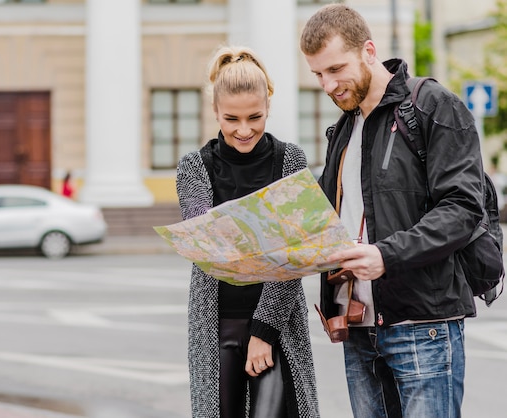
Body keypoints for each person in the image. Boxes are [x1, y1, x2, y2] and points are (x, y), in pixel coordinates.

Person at [300, 4, 485, 418]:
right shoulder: (343, 130)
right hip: (358, 329)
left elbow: (463, 207)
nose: (328, 85)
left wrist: (386, 255)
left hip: (423, 327)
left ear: (368, 50)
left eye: (335, 69)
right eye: (318, 75)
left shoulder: (432, 105)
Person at [176, 45, 319, 417]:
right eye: (231, 119)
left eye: (255, 117)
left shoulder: (290, 160)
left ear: (269, 104)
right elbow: (209, 249)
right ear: (215, 112)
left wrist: (264, 331)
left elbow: (294, 255)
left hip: (277, 324)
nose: (244, 130)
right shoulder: (194, 168)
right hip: (215, 322)